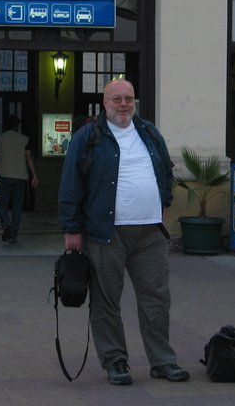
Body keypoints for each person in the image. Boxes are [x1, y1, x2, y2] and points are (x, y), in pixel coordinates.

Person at [58, 79, 188, 386]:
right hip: (105, 233)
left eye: (128, 98)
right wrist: (72, 229)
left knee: (157, 298)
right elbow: (71, 184)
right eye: (116, 99)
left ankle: (162, 360)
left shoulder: (150, 133)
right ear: (104, 103)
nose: (123, 104)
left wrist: (163, 202)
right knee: (106, 301)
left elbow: (166, 172)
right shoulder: (88, 137)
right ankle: (115, 360)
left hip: (150, 233)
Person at [0, 115, 37, 245]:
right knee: (17, 207)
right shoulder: (24, 139)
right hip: (21, 177)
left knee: (1, 204)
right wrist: (34, 175)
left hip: (5, 176)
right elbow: (29, 158)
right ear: (17, 126)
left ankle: (6, 225)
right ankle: (14, 235)